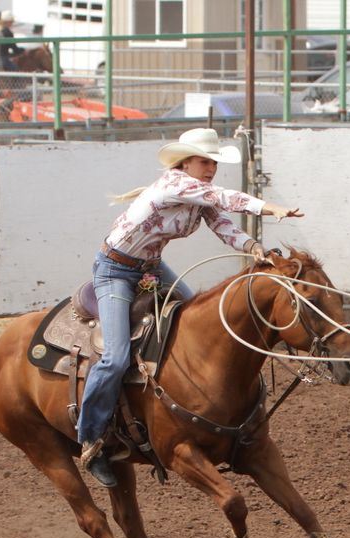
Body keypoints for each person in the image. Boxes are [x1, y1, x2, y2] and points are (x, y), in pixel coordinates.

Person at [76, 128, 304, 487]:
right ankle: (90, 436)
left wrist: (253, 247)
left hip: (149, 267)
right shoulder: (175, 184)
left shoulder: (198, 195)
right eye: (205, 161)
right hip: (115, 270)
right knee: (116, 357)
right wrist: (269, 207)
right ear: (185, 162)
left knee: (192, 316)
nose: (210, 167)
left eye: (214, 162)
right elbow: (224, 198)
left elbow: (223, 224)